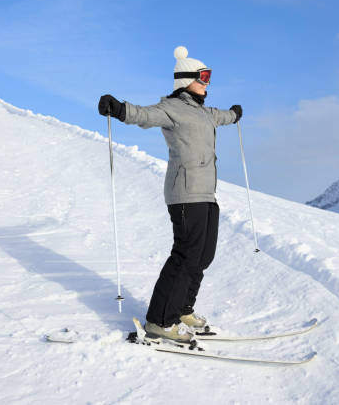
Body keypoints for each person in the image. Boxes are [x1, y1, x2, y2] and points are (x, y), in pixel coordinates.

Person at [98, 46, 242, 343]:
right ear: (185, 79)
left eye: (208, 77)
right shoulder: (171, 108)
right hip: (185, 193)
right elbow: (144, 115)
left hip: (206, 192)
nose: (207, 83)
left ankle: (183, 309)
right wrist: (120, 108)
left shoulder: (204, 112)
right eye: (203, 77)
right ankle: (159, 321)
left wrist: (235, 114)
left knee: (203, 256)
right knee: (185, 256)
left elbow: (223, 117)